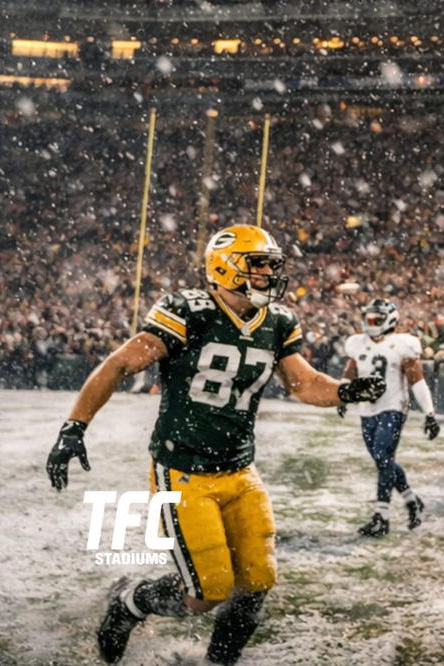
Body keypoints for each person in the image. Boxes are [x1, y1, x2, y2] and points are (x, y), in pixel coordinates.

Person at [45, 225, 385, 665]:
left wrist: (345, 391)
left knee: (257, 582)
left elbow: (304, 384)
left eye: (269, 264)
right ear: (226, 266)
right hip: (184, 469)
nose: (267, 273)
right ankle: (129, 601)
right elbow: (119, 365)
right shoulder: (189, 310)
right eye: (257, 263)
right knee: (206, 591)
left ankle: (219, 661)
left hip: (240, 470)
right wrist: (75, 427)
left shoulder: (277, 321)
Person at [341, 298, 440, 538]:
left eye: (376, 319)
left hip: (393, 406)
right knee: (381, 460)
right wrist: (343, 394)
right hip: (367, 409)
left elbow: (417, 381)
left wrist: (429, 413)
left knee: (383, 456)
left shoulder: (402, 345)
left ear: (390, 320)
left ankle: (381, 516)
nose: (370, 323)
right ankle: (411, 500)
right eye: (368, 318)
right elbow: (351, 371)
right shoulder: (358, 344)